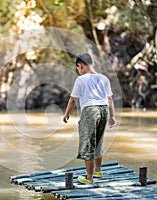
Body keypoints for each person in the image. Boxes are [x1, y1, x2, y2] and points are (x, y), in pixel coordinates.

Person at [63, 53, 116, 184]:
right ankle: (97, 170)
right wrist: (113, 116)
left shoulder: (81, 80)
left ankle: (89, 177)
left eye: (78, 69)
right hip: (104, 110)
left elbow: (72, 99)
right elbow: (109, 99)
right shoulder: (104, 78)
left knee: (88, 144)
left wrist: (66, 114)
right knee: (98, 141)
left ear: (80, 66)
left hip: (90, 111)